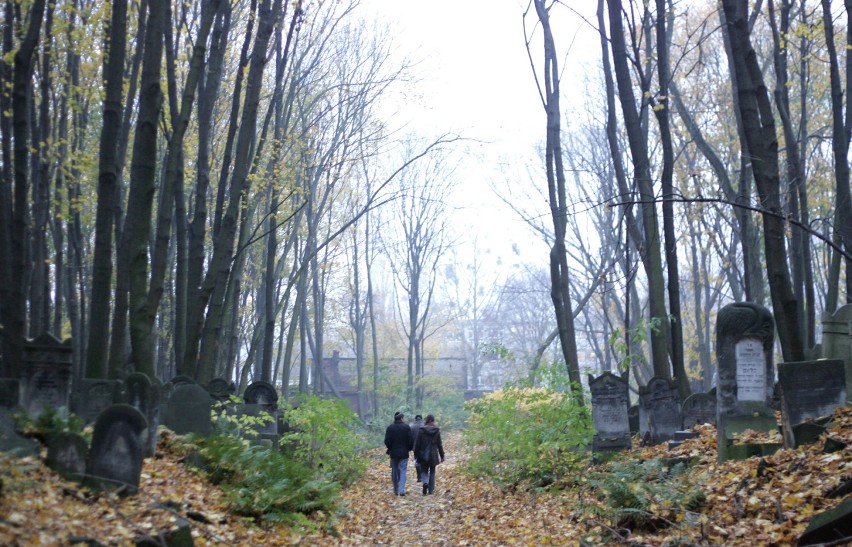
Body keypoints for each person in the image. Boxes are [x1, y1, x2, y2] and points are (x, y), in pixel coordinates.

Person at [412, 414, 445, 495]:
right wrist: (442, 455)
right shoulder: (436, 430)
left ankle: (425, 483)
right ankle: (431, 491)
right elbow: (439, 444)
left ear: (426, 420)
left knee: (424, 470)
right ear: (433, 420)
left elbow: (417, 444)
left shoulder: (421, 430)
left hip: (423, 454)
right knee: (432, 472)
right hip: (433, 454)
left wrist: (416, 454)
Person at [384, 411, 412, 496]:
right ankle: (402, 490)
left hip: (394, 453)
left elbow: (386, 441)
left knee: (394, 470)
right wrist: (409, 448)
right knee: (403, 471)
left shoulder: (390, 427)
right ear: (402, 418)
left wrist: (390, 448)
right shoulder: (406, 427)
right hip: (404, 453)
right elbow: (410, 440)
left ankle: (395, 489)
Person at [409, 414, 424, 480]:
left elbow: (410, 438)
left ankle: (419, 476)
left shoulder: (411, 426)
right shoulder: (424, 425)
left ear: (415, 419)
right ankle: (424, 474)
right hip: (424, 446)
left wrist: (410, 446)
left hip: (415, 447)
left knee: (417, 460)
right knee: (423, 460)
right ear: (421, 418)